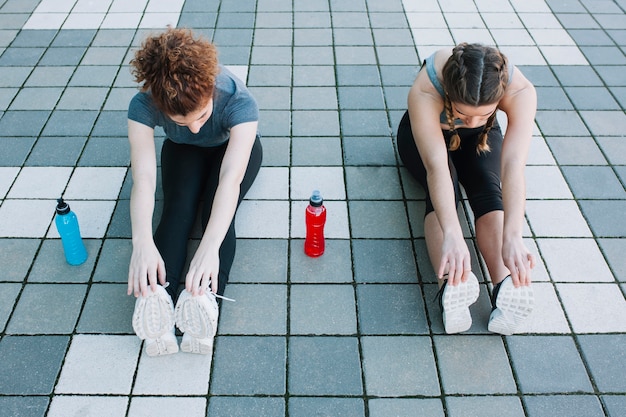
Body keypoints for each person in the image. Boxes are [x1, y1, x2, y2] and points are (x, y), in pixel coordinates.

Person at [126, 27, 262, 356]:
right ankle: (157, 295)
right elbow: (143, 178)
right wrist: (140, 241)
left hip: (231, 151)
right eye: (183, 120)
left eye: (202, 114)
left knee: (214, 214)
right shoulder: (143, 105)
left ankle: (204, 298)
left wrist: (209, 247)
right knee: (177, 208)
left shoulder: (238, 100)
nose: (197, 127)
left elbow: (230, 179)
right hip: (181, 151)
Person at [397, 43, 536, 335]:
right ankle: (452, 286)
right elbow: (437, 168)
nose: (470, 122)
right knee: (447, 192)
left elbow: (513, 166)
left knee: (488, 188)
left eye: (484, 113)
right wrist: (452, 233)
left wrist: (514, 235)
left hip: (480, 141)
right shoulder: (425, 91)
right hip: (426, 138)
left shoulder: (520, 91)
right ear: (449, 93)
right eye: (463, 113)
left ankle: (504, 287)